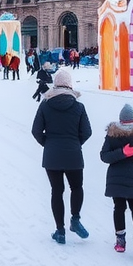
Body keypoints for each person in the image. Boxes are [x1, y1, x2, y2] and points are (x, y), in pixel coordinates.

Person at [31, 68, 92, 244]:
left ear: (55, 84)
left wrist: (48, 144)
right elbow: (87, 132)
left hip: (52, 155)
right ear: (70, 85)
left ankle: (60, 231)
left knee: (57, 192)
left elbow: (36, 131)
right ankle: (75, 218)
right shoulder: (79, 106)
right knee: (77, 188)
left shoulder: (45, 104)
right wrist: (75, 143)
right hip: (74, 154)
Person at [100, 104, 133, 257]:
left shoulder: (112, 134)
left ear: (121, 120)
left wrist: (122, 153)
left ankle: (120, 241)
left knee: (119, 208)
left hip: (115, 178)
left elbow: (104, 156)